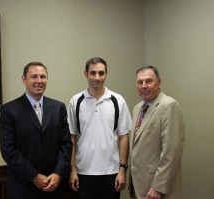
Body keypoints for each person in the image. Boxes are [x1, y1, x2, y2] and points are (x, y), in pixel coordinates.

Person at [0, 61, 73, 199]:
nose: (39, 81)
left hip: (54, 185)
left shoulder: (59, 108)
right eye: (34, 77)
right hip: (23, 186)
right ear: (24, 79)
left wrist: (58, 173)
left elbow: (66, 144)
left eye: (43, 77)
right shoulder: (9, 110)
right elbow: (8, 150)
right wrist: (34, 176)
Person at [67, 57, 132, 199]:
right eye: (93, 73)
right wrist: (72, 170)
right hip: (83, 172)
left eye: (101, 73)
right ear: (86, 74)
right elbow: (72, 138)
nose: (97, 77)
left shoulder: (118, 100)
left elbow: (123, 137)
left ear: (106, 74)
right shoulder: (75, 101)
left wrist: (122, 170)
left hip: (111, 173)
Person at [129, 65, 185, 199]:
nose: (144, 86)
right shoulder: (137, 108)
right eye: (140, 82)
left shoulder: (169, 105)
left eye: (148, 81)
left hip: (157, 188)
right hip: (139, 185)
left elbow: (172, 151)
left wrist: (158, 187)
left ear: (159, 83)